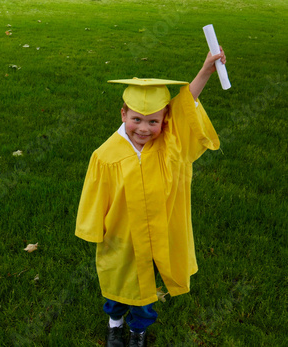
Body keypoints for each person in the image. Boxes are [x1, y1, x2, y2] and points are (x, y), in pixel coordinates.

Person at [75, 48, 226, 347]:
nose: (144, 128)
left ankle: (138, 331)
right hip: (121, 237)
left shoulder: (170, 145)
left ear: (165, 120)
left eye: (153, 122)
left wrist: (207, 69)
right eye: (136, 120)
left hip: (160, 234)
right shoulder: (105, 155)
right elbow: (95, 196)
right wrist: (94, 229)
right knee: (117, 285)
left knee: (146, 294)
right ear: (123, 114)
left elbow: (186, 105)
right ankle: (114, 323)